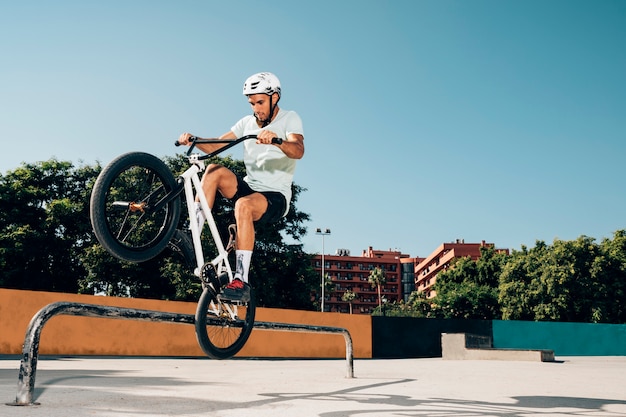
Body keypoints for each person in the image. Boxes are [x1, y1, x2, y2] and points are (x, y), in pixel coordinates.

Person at [172, 72, 304, 302]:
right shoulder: (247, 123)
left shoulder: (289, 118)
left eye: (260, 102)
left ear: (275, 98)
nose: (256, 108)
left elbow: (298, 150)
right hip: (249, 187)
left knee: (243, 205)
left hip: (274, 197)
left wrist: (276, 140)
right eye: (252, 103)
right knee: (213, 170)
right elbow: (218, 145)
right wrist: (195, 139)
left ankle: (241, 280)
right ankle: (191, 234)